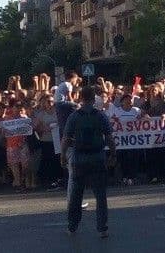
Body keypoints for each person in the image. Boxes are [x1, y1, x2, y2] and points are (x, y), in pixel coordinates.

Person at [62, 86, 116, 238]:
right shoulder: (100, 116)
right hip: (97, 157)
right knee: (100, 195)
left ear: (80, 98)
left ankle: (72, 227)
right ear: (93, 99)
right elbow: (110, 138)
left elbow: (66, 139)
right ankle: (102, 228)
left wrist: (63, 156)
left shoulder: (74, 117)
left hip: (79, 158)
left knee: (76, 196)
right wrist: (113, 154)